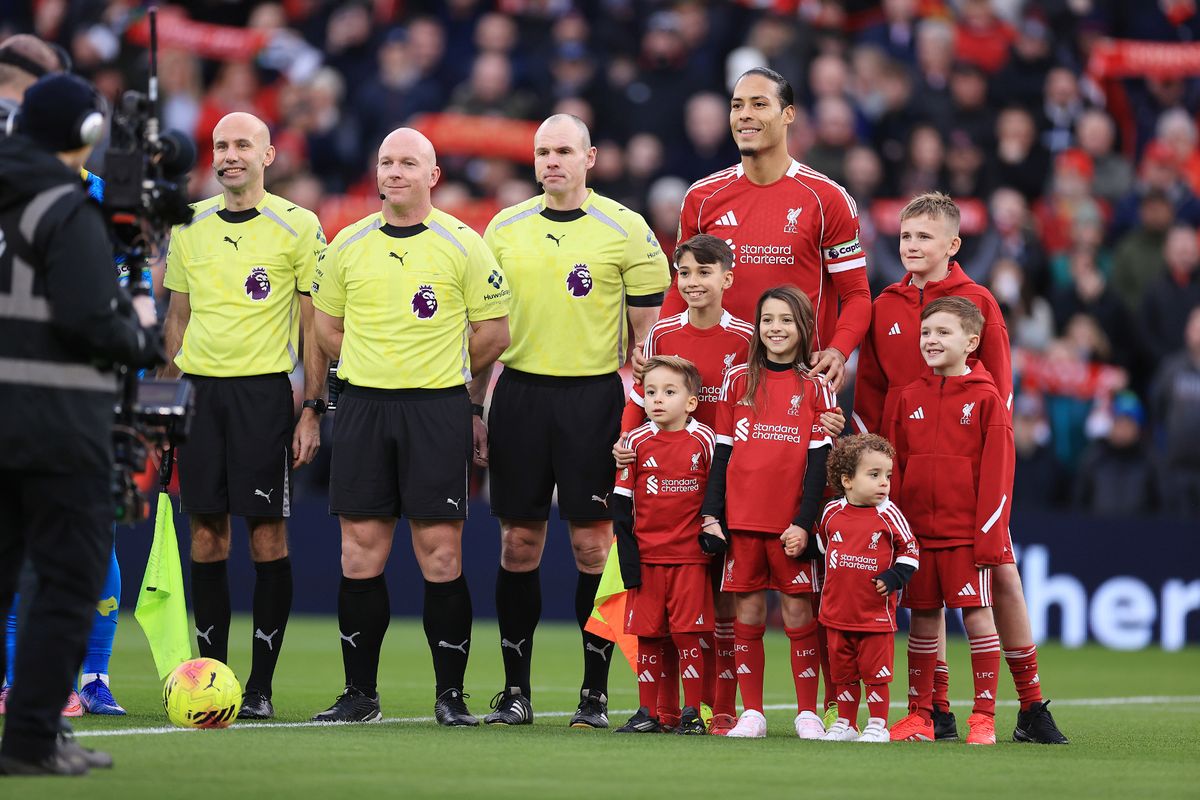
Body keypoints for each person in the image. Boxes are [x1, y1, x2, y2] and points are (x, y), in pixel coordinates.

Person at [310, 127, 510, 726]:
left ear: (433, 175)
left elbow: (495, 333)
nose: (394, 172)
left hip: (435, 408)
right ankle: (359, 695)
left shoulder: (463, 243)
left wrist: (435, 366)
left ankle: (450, 696)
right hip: (365, 407)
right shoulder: (347, 243)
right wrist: (379, 361)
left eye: (408, 163)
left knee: (440, 554)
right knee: (359, 552)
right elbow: (325, 328)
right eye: (386, 161)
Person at [477, 114, 669, 728]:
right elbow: (483, 326)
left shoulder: (626, 228)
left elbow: (650, 336)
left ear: (590, 158)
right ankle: (515, 691)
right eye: (542, 152)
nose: (552, 161)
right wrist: (475, 406)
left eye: (564, 150)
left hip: (594, 399)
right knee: (518, 542)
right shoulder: (504, 227)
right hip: (520, 393)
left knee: (593, 546)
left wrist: (641, 414)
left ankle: (593, 695)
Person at [854, 192, 1067, 745]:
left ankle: (1030, 705)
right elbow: (874, 396)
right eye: (905, 236)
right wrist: (875, 471)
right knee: (923, 599)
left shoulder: (979, 302)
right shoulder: (884, 304)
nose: (912, 246)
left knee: (1003, 579)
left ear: (953, 244)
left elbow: (1000, 387)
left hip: (967, 475)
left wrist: (987, 475)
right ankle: (935, 711)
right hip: (907, 477)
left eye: (925, 237)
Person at [0, 73, 162, 775]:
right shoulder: (65, 205)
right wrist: (142, 336)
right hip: (54, 420)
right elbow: (92, 318)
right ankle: (35, 737)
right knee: (67, 581)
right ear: (85, 135)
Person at [161, 111, 327, 720]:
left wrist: (312, 407)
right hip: (200, 396)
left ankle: (259, 687)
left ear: (268, 155)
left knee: (265, 535)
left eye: (241, 145)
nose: (229, 155)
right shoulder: (189, 225)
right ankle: (211, 677)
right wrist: (166, 399)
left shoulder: (298, 226)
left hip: (263, 395)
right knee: (205, 534)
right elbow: (176, 318)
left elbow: (315, 325)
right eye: (220, 145)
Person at [0, 32, 124, 720]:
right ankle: (31, 690)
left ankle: (90, 675)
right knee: (55, 542)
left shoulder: (98, 195)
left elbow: (133, 280)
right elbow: (104, 308)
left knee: (86, 535)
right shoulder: (72, 199)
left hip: (66, 390)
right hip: (54, 393)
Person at [615, 234, 752, 734]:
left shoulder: (745, 338)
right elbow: (638, 394)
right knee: (666, 615)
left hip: (726, 477)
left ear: (726, 279)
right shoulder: (662, 335)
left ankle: (723, 708)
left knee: (722, 603)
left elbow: (758, 400)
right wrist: (626, 441)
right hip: (665, 478)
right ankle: (666, 711)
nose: (692, 283)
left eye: (703, 273)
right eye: (685, 273)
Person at [662, 67, 871, 392]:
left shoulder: (827, 198)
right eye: (737, 105)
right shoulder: (701, 198)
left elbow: (857, 295)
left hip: (798, 381)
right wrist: (666, 350)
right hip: (714, 380)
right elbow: (681, 287)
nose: (744, 115)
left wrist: (838, 351)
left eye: (759, 105)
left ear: (788, 114)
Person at [700, 286, 837, 739]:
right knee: (748, 616)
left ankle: (807, 713)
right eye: (767, 320)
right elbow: (722, 454)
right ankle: (752, 713)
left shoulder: (816, 385)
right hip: (741, 522)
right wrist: (712, 514)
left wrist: (804, 522)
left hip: (790, 527)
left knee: (799, 614)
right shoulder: (738, 380)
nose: (775, 329)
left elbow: (820, 465)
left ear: (804, 328)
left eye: (786, 320)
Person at [885, 297, 1013, 746]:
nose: (931, 340)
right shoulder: (909, 397)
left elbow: (998, 476)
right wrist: (897, 536)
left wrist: (988, 539)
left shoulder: (986, 398)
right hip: (917, 537)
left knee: (978, 617)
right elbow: (895, 472)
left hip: (964, 536)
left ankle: (984, 716)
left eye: (944, 332)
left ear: (971, 342)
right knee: (922, 622)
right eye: (925, 333)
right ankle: (919, 714)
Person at [610, 356, 717, 736]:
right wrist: (627, 557)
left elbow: (716, 495)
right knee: (649, 635)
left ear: (691, 402)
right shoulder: (634, 442)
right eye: (651, 392)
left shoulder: (704, 440)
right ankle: (647, 711)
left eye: (669, 392)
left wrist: (712, 535)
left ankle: (691, 712)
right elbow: (621, 501)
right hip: (647, 558)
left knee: (689, 634)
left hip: (689, 558)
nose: (657, 400)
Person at [815, 434, 919, 743]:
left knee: (876, 675)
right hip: (836, 613)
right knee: (842, 673)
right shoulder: (831, 512)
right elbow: (823, 544)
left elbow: (911, 550)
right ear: (847, 480)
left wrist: (894, 576)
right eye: (874, 475)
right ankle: (846, 723)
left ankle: (877, 724)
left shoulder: (888, 515)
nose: (884, 482)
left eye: (887, 475)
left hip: (874, 615)